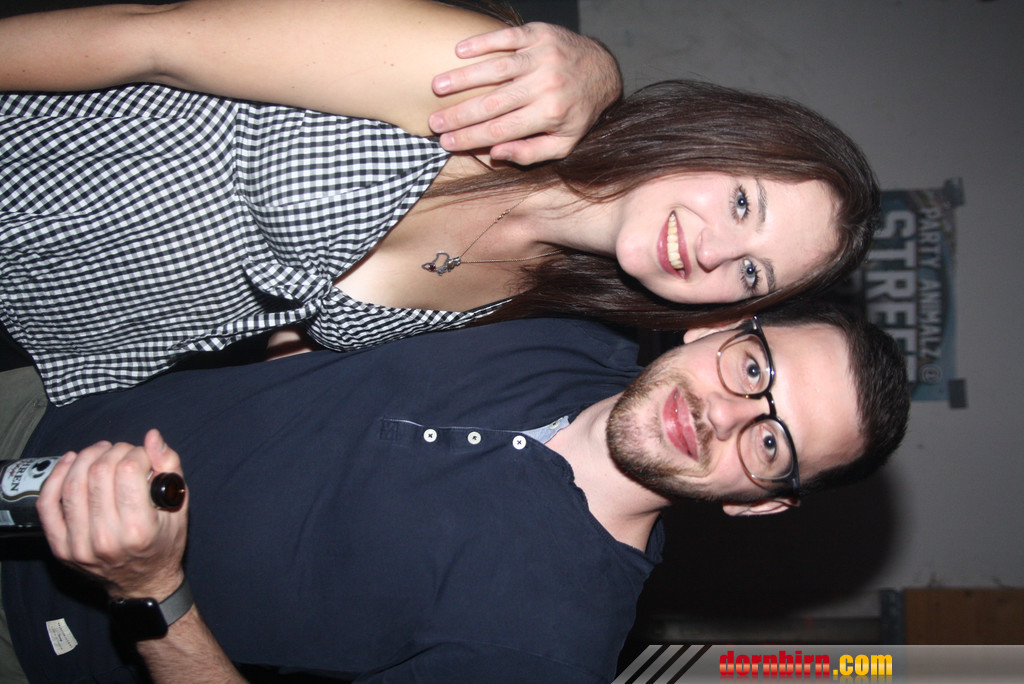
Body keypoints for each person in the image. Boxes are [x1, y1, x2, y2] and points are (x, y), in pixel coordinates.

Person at [0, 0, 880, 406]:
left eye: (752, 273)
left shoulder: (526, 301)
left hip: (44, 326)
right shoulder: (499, 85)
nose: (717, 251)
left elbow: (288, 324)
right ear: (712, 138)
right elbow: (150, 41)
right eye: (742, 202)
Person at [1, 305, 910, 683]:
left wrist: (152, 592)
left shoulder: (550, 652)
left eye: (770, 443)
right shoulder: (561, 322)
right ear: (719, 327)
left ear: (760, 502)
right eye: (753, 370)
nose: (722, 413)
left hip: (32, 619)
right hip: (45, 405)